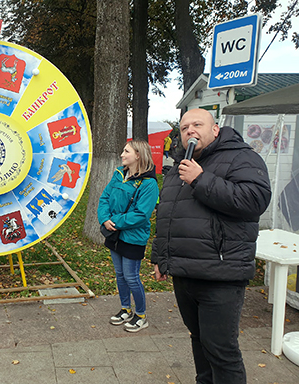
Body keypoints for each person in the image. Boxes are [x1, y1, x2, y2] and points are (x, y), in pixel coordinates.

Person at [151, 108, 272, 384]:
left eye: (197, 124)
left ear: (215, 129)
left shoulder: (241, 157)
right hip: (184, 272)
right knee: (199, 342)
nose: (190, 131)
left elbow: (254, 200)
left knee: (221, 350)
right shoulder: (181, 163)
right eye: (184, 128)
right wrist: (161, 257)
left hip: (221, 273)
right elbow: (168, 214)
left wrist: (201, 179)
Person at [98, 140, 159, 332]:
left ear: (138, 155)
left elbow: (142, 215)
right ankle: (125, 308)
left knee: (131, 277)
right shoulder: (119, 174)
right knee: (120, 274)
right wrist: (104, 218)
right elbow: (104, 198)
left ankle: (140, 315)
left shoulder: (149, 184)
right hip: (115, 236)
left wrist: (114, 222)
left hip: (133, 237)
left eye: (126, 151)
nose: (122, 155)